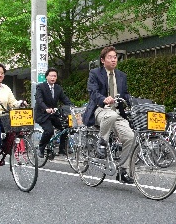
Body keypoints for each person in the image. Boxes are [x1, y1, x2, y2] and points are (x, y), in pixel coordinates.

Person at [82, 46, 134, 184]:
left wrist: (133, 100)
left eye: (115, 57)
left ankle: (123, 171)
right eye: (110, 57)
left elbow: (125, 94)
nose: (113, 59)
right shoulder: (95, 73)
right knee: (109, 115)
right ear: (103, 60)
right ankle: (102, 142)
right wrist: (103, 99)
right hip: (100, 109)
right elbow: (93, 92)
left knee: (130, 137)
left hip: (117, 113)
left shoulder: (122, 76)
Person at [34, 67, 73, 158]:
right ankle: (41, 148)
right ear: (46, 77)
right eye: (51, 76)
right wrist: (46, 108)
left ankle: (62, 148)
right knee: (49, 130)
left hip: (53, 114)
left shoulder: (58, 88)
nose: (53, 78)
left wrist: (72, 107)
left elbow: (65, 99)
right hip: (42, 114)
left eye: (55, 76)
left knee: (65, 127)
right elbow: (39, 100)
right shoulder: (40, 87)